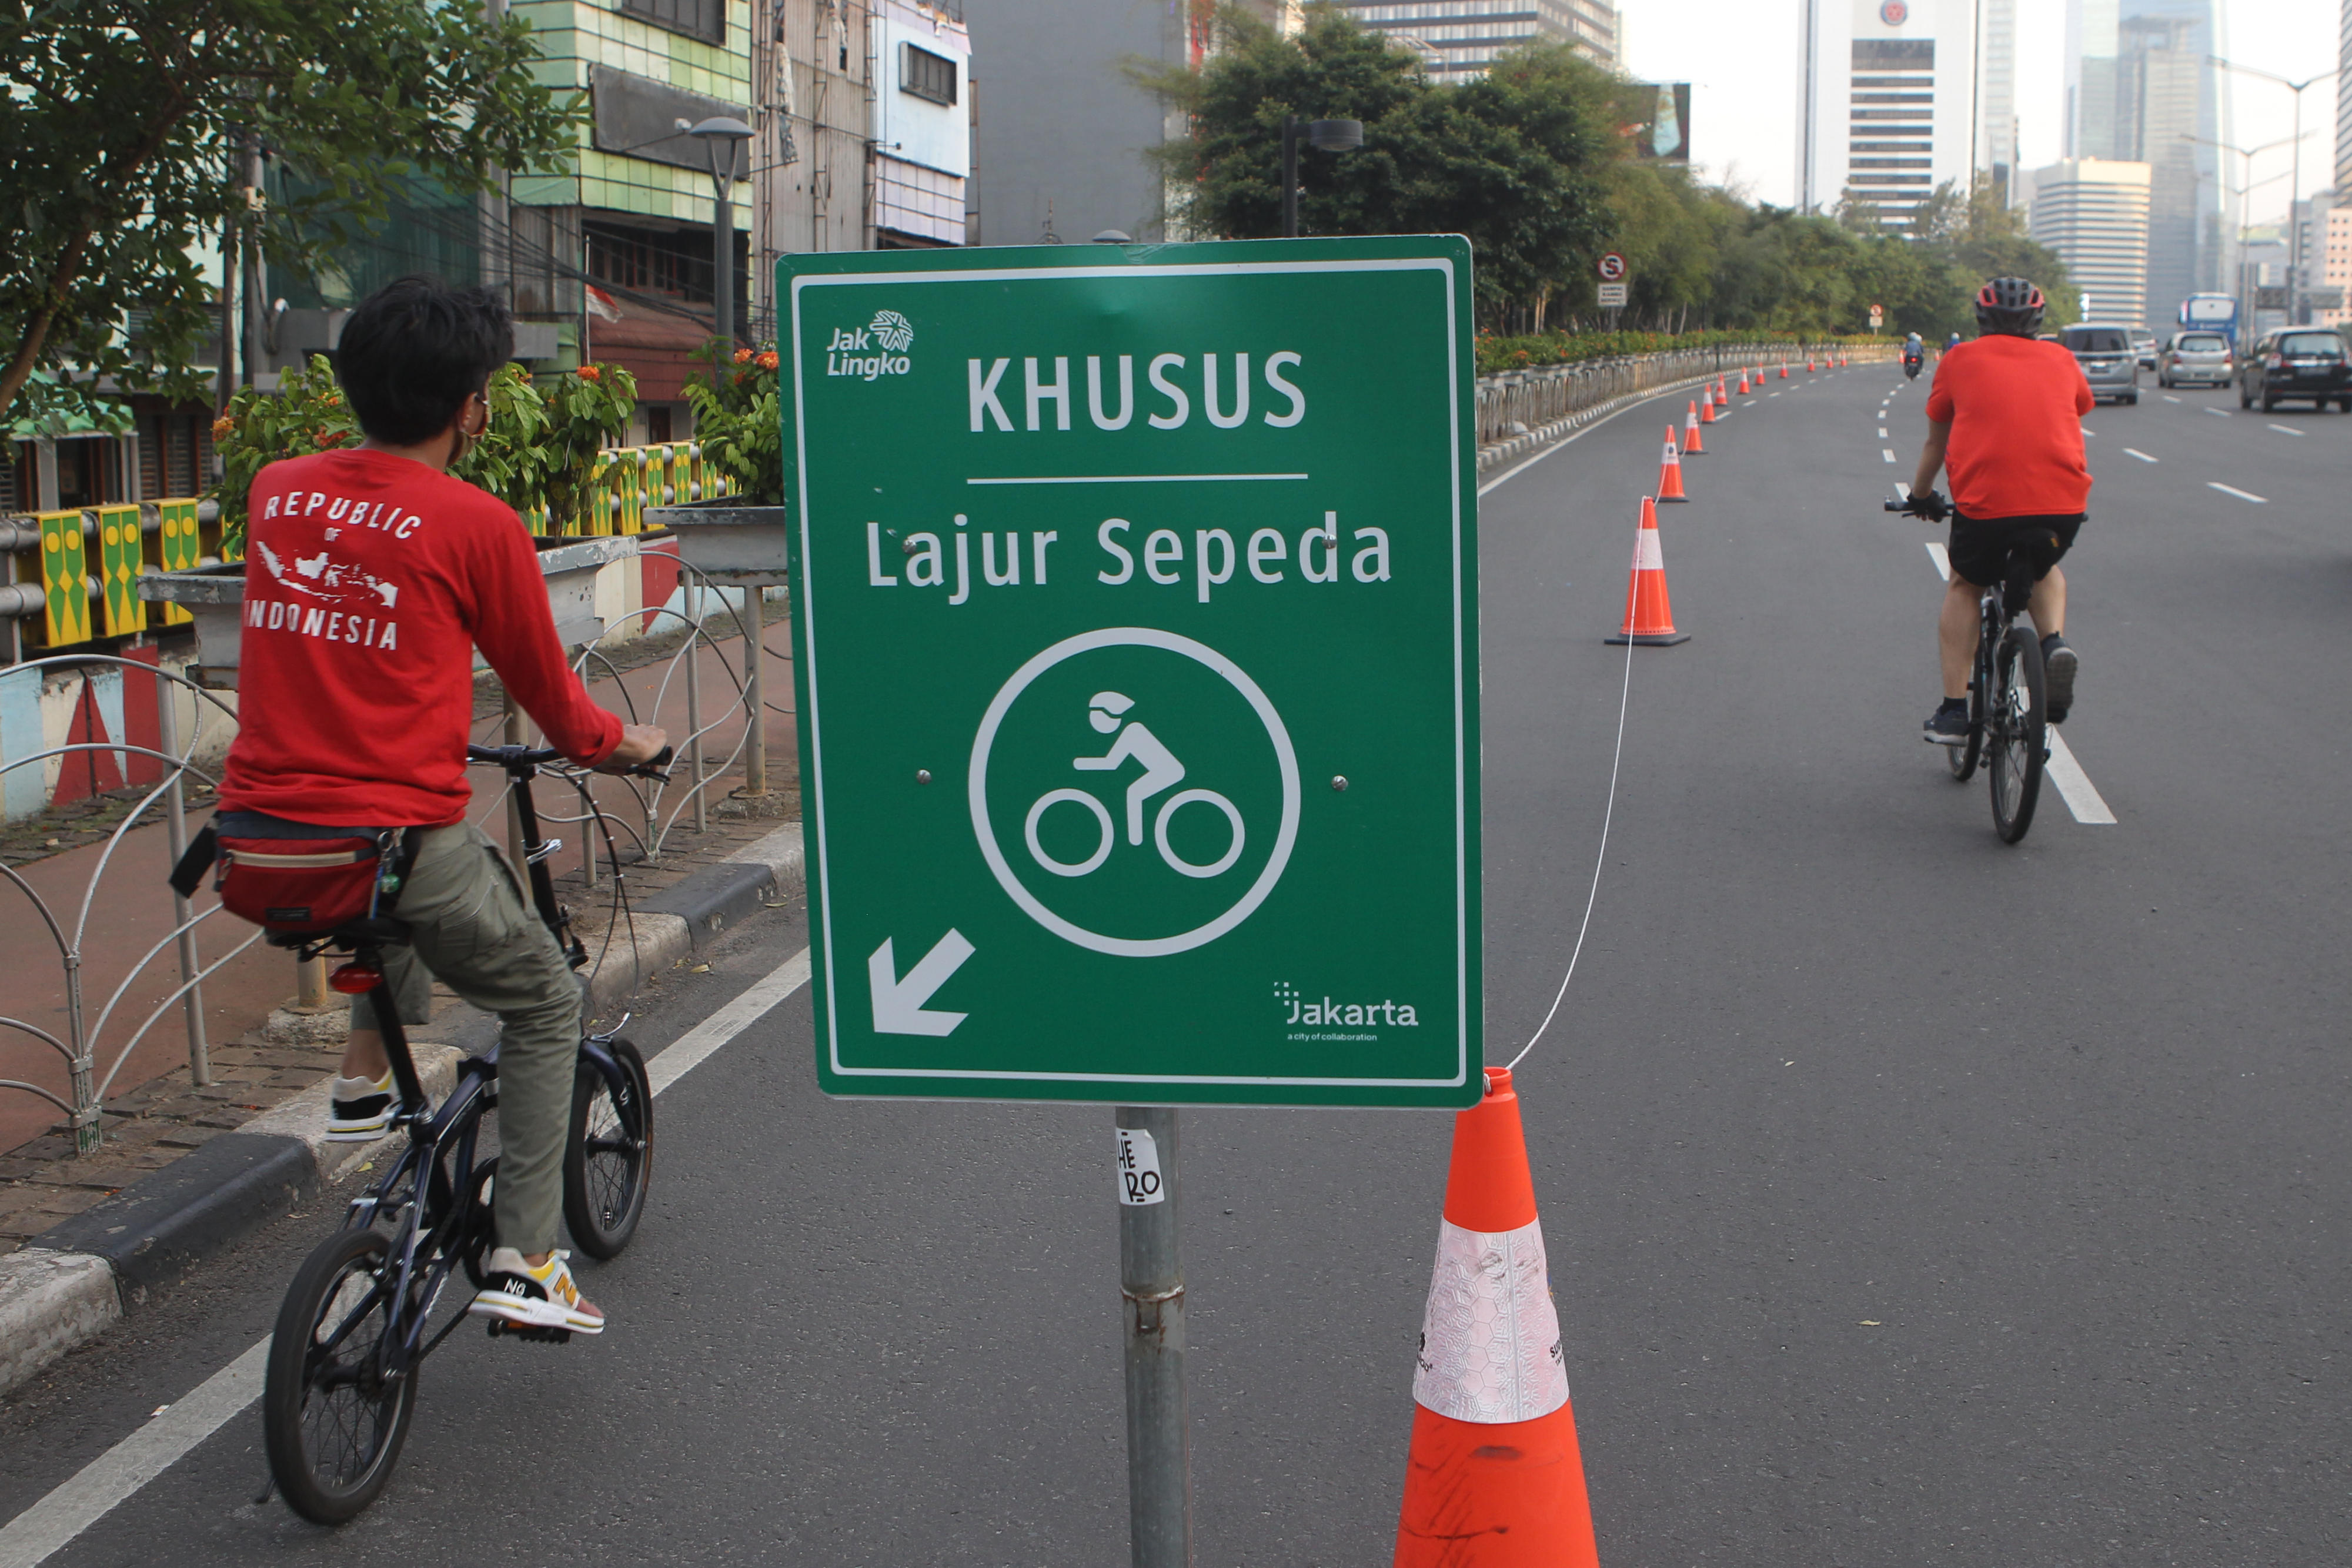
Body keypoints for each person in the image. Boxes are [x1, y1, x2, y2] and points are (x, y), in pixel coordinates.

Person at [216, 277, 667, 1336]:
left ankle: (361, 1086)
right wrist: (624, 744)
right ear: (472, 407)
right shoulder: (474, 522)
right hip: (392, 840)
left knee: (412, 878)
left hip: (259, 844)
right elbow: (557, 708)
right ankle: (524, 1256)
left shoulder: (277, 488)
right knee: (546, 997)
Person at [1905, 277, 2086, 742]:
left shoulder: (1959, 359)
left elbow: (1935, 441)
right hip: (2061, 504)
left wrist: (1921, 495)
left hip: (1987, 507)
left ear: (1981, 319)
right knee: (2045, 566)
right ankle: (2052, 646)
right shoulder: (2063, 359)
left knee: (1966, 583)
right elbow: (2081, 406)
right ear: (2038, 320)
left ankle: (1953, 712)